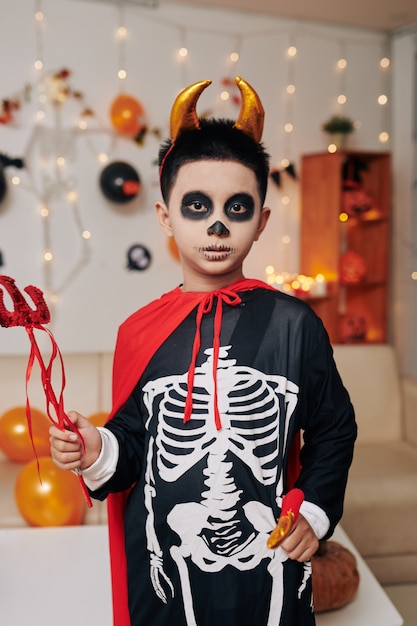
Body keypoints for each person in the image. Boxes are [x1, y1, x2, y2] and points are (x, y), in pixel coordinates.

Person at [49, 76, 357, 626]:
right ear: (166, 217)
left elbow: (334, 427)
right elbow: (134, 443)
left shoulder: (293, 325)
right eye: (197, 206)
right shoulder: (140, 331)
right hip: (169, 561)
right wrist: (97, 448)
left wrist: (312, 510)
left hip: (270, 549)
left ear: (261, 221)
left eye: (237, 207)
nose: (217, 225)